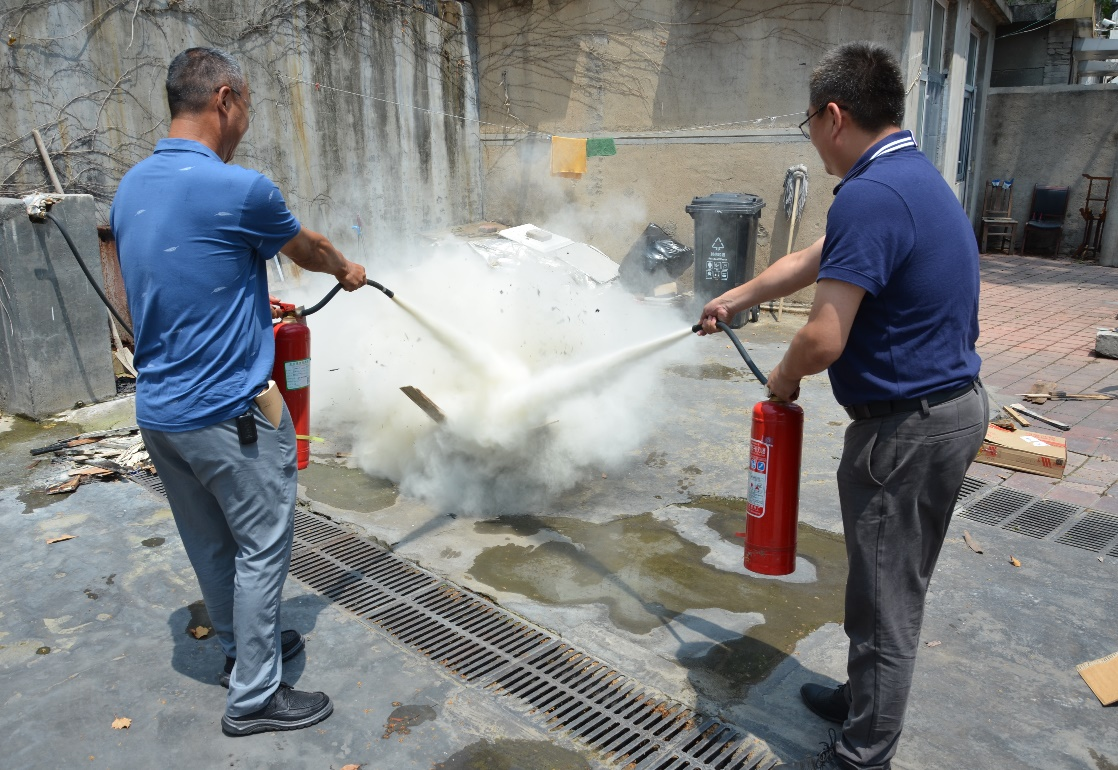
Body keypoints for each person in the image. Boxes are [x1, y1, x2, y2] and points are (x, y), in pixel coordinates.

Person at [699, 42, 987, 770]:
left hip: (908, 430)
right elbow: (817, 257)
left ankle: (863, 755)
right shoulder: (907, 176)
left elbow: (822, 339)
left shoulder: (870, 192)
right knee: (879, 580)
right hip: (940, 413)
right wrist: (737, 297)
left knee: (888, 601)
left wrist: (783, 377)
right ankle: (864, 699)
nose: (813, 140)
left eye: (809, 124)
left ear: (834, 116)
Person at [110, 47, 366, 737]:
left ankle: (243, 650)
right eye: (247, 105)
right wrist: (346, 269)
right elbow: (307, 248)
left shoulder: (130, 187)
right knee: (261, 548)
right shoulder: (240, 188)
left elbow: (183, 275)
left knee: (211, 545)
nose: (247, 119)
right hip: (228, 416)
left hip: (160, 413)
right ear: (225, 98)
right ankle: (255, 697)